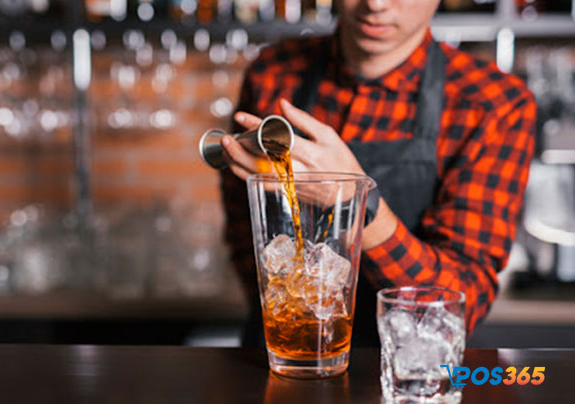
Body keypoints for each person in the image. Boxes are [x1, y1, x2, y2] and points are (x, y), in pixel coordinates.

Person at [220, 0, 536, 347]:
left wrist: (354, 203)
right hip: (280, 354)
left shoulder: (494, 104)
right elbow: (242, 222)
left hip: (407, 371)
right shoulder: (273, 72)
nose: (376, 4)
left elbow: (460, 303)